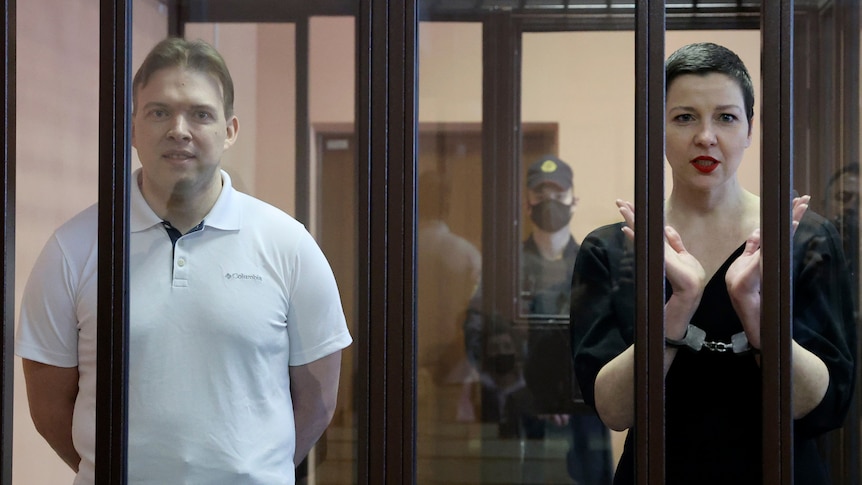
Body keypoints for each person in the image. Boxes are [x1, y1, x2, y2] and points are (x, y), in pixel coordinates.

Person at [16, 37, 353, 485]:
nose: (179, 129)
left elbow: (319, 402)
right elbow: (48, 408)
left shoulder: (289, 246)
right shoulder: (73, 248)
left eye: (200, 113)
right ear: (133, 128)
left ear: (229, 130)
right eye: (159, 112)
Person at [570, 42, 856, 484]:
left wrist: (753, 307)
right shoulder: (611, 247)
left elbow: (823, 404)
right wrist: (680, 303)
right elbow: (613, 409)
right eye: (685, 117)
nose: (706, 136)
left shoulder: (804, 237)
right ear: (655, 128)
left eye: (726, 117)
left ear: (750, 128)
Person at [465, 155, 612, 484]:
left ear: (573, 201)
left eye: (558, 195)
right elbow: (476, 332)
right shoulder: (503, 267)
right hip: (519, 411)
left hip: (583, 416)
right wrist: (521, 388)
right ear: (527, 203)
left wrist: (567, 392)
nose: (550, 202)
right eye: (541, 194)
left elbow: (607, 342)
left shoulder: (597, 265)